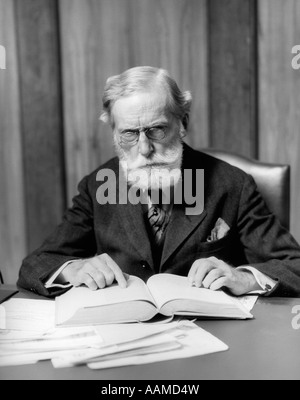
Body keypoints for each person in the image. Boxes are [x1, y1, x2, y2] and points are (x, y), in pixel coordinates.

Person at [18, 66, 300, 298]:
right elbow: (36, 264)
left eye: (156, 130)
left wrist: (243, 277)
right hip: (123, 338)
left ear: (183, 123)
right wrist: (74, 269)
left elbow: (294, 265)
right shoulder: (99, 185)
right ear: (114, 134)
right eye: (129, 134)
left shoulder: (233, 185)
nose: (144, 149)